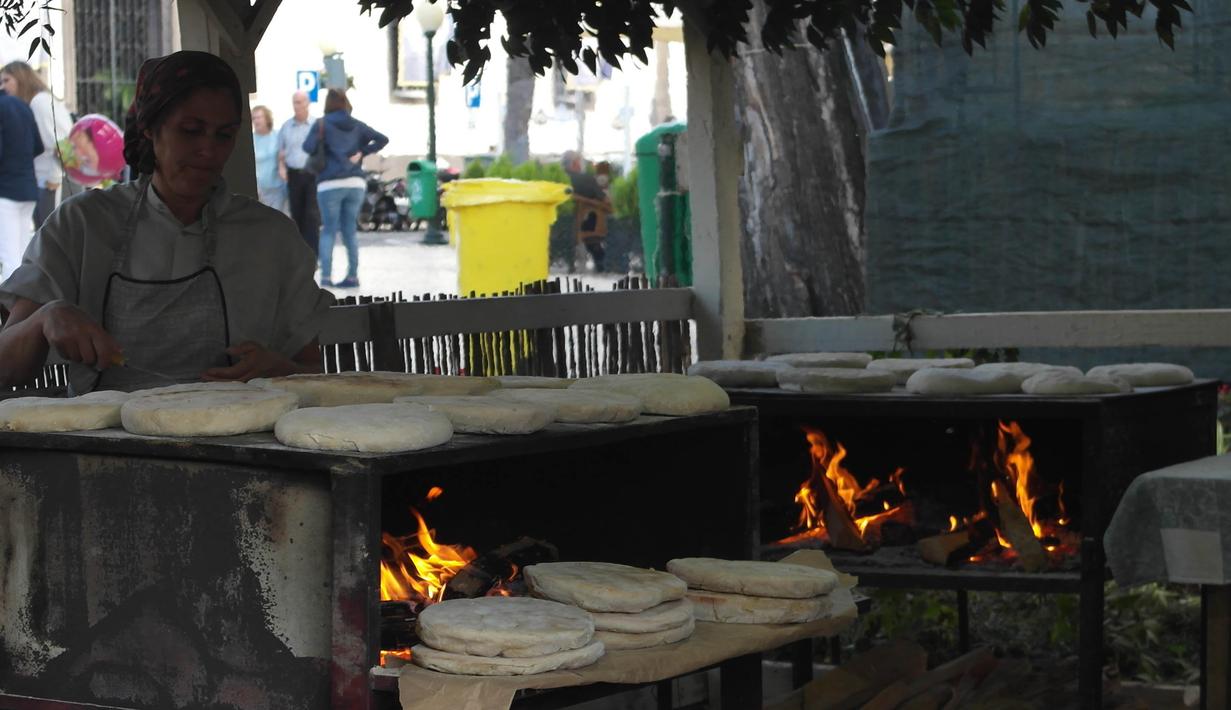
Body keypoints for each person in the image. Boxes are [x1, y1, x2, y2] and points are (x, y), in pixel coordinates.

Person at [0, 50, 333, 393]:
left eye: (224, 135)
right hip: (107, 430)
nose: (208, 150)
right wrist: (45, 318)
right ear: (149, 129)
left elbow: (313, 372)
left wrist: (277, 370)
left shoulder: (271, 237)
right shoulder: (82, 226)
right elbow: (5, 369)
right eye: (191, 130)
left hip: (245, 428)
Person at [303, 89, 387, 288]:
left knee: (329, 230)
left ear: (328, 104)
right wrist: (362, 152)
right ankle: (352, 276)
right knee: (349, 230)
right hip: (355, 183)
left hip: (329, 183)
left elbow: (307, 147)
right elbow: (382, 139)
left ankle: (326, 277)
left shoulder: (322, 124)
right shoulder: (356, 124)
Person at [1, 61, 70, 228]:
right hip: (46, 181)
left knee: (50, 235)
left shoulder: (39, 102)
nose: (3, 87)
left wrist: (54, 177)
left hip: (52, 183)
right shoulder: (38, 101)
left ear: (21, 78)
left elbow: (61, 144)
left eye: (6, 80)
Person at [0, 91, 43, 283]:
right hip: (27, 186)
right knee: (22, 253)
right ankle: (25, 298)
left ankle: (11, 302)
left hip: (5, 189)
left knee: (9, 256)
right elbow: (39, 146)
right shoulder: (22, 105)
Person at [277, 90, 320, 254]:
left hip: (312, 175)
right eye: (295, 102)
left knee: (311, 216)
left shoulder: (316, 125)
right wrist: (281, 168)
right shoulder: (286, 127)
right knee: (296, 214)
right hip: (293, 175)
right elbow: (280, 152)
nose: (297, 106)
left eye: (300, 102)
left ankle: (313, 255)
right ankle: (300, 254)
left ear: (308, 104)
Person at [562, 150, 609, 272]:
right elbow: (603, 199)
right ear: (575, 163)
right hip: (587, 224)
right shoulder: (586, 179)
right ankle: (601, 266)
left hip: (561, 225)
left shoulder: (558, 179)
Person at [251, 105, 286, 213]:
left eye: (259, 117)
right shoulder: (251, 139)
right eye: (254, 118)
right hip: (259, 190)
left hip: (277, 188)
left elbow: (284, 155)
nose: (256, 121)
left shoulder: (278, 135)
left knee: (277, 218)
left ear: (267, 118)